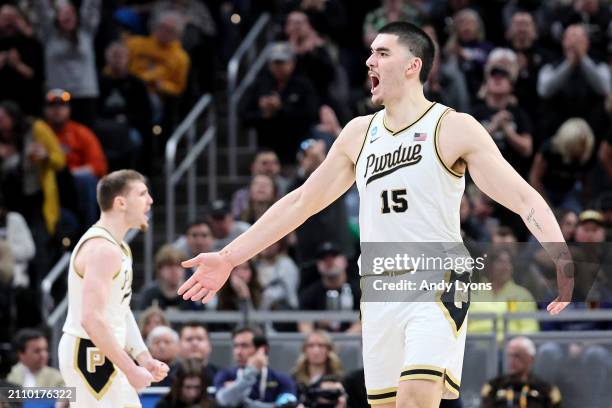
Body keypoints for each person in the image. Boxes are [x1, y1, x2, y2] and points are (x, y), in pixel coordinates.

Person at [180, 22, 573, 407]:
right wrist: (229, 256)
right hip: (380, 288)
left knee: (418, 399)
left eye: (382, 53)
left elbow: (524, 197)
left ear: (412, 65)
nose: (370, 61)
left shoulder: (452, 127)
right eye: (369, 52)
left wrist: (562, 256)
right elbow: (301, 202)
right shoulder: (358, 133)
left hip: (437, 280)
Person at [58, 169, 168, 407]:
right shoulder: (102, 249)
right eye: (142, 194)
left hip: (104, 352)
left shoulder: (118, 248)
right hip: (89, 352)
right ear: (120, 202)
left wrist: (143, 357)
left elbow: (119, 309)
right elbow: (91, 319)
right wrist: (131, 368)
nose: (150, 201)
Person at [213, 326, 297, 407]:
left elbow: (288, 405)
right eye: (235, 346)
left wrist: (241, 401)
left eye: (244, 346)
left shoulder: (282, 379)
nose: (238, 352)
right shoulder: (225, 375)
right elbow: (224, 401)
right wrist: (250, 373)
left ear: (262, 349)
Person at [481, 337, 562, 408]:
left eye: (517, 355)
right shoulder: (493, 386)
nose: (512, 360)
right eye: (510, 355)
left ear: (530, 358)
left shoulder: (546, 390)